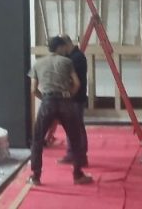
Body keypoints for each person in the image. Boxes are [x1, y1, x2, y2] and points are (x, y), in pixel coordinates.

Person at [28, 36, 93, 186]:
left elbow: (33, 89)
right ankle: (78, 175)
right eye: (63, 47)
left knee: (37, 139)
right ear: (59, 47)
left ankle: (36, 176)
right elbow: (77, 83)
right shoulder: (67, 62)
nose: (65, 50)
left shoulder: (38, 63)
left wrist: (44, 97)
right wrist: (69, 95)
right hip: (65, 102)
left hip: (47, 103)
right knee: (75, 138)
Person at [57, 34, 88, 168]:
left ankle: (81, 156)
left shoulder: (77, 58)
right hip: (72, 97)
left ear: (66, 44)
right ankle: (72, 153)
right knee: (71, 127)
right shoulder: (72, 57)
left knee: (77, 127)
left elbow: (74, 81)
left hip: (76, 97)